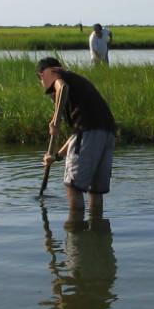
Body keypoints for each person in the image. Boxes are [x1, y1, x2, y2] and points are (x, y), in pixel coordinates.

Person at [37, 57, 117, 214]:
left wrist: (56, 120)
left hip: (90, 132)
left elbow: (62, 88)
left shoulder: (58, 78)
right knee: (95, 190)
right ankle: (97, 230)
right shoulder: (75, 83)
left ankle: (76, 231)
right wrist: (57, 156)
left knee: (72, 187)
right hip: (107, 132)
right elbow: (79, 136)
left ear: (43, 75)